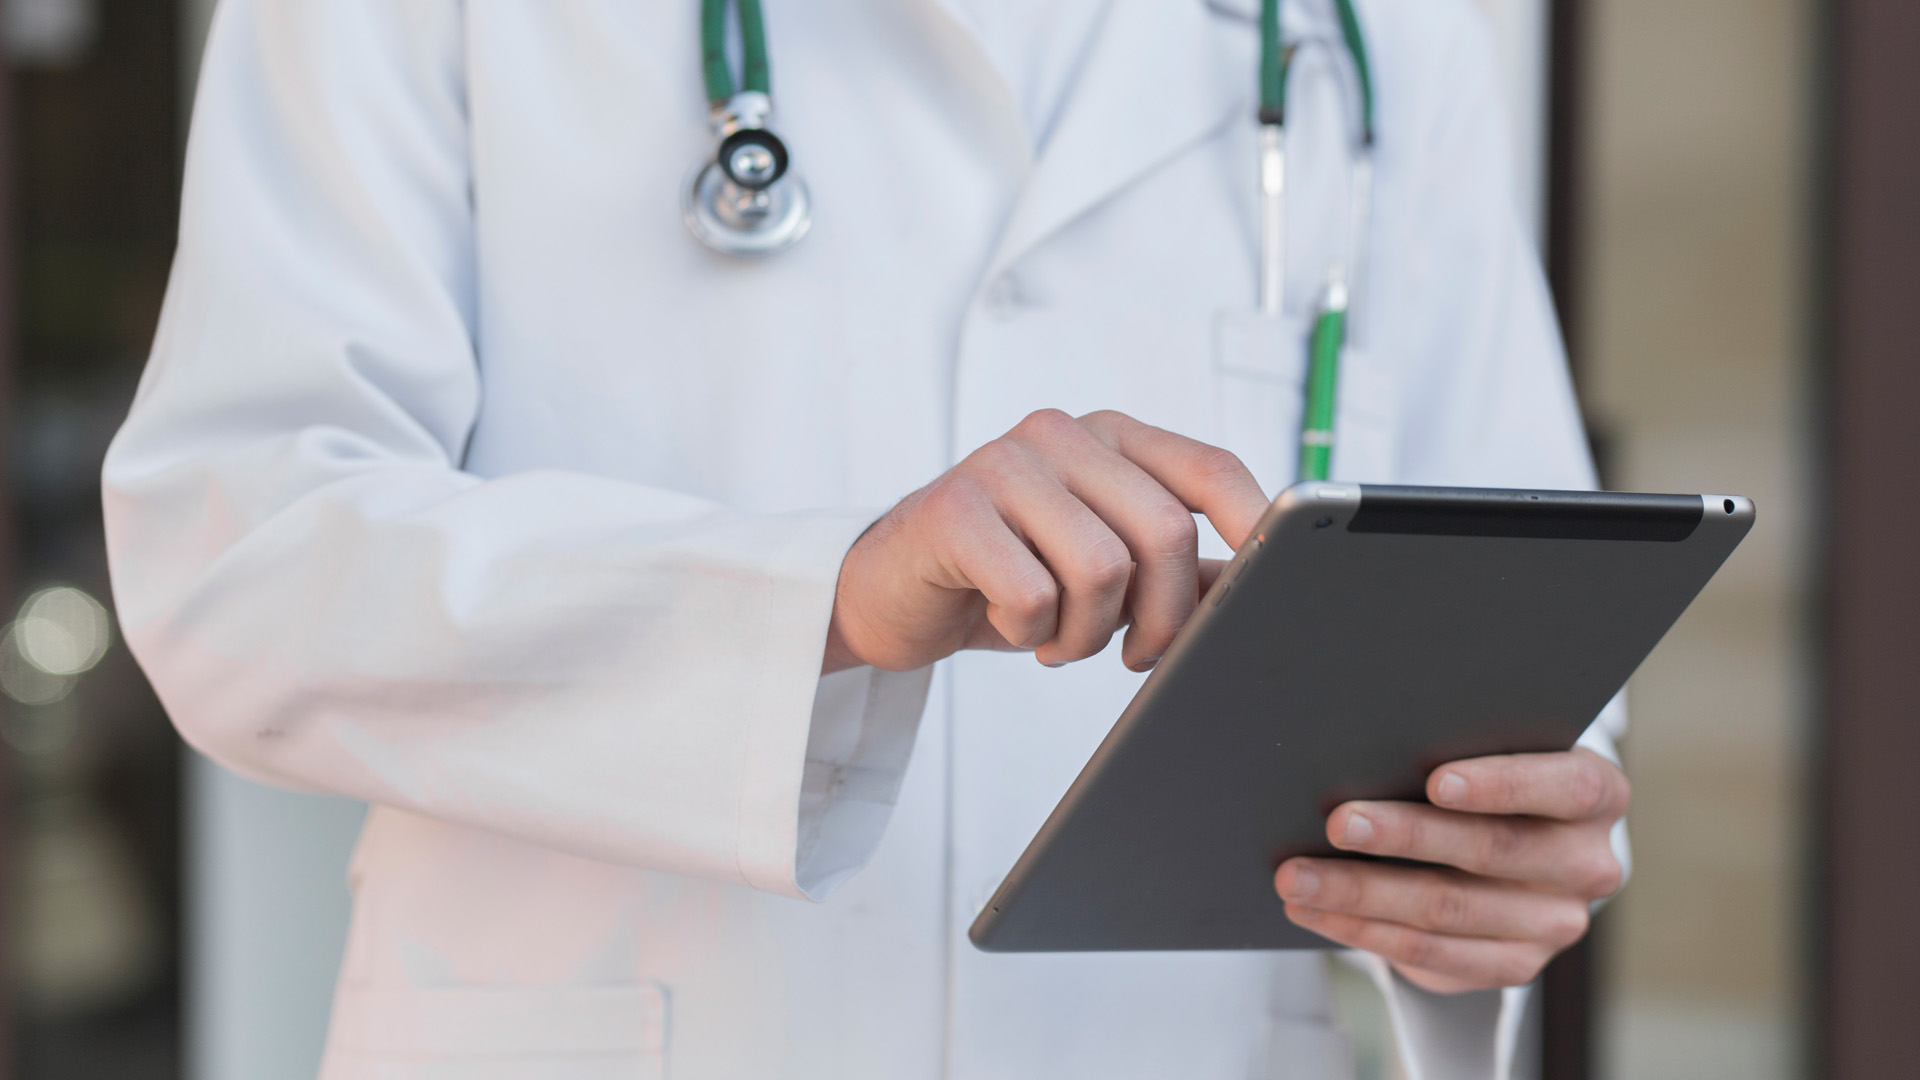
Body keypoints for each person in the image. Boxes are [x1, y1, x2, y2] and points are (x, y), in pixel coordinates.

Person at [102, 0, 1631, 1077]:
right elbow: (241, 557)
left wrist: (1477, 865)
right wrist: (821, 602)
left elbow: (1526, 630)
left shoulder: (1390, 33)